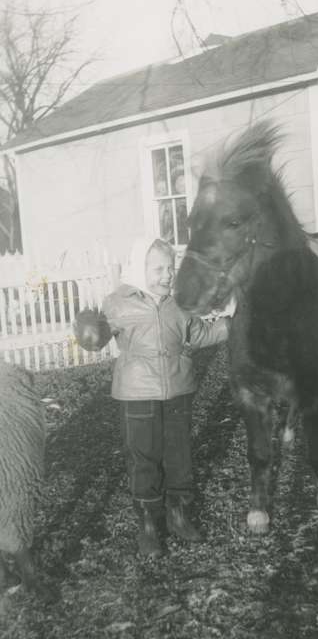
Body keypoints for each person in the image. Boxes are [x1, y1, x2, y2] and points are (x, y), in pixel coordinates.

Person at [74, 238, 230, 557]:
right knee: (143, 458)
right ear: (139, 269)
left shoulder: (178, 305)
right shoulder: (118, 303)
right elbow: (98, 337)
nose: (166, 275)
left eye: (170, 268)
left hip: (177, 391)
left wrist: (232, 324)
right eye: (158, 268)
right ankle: (148, 526)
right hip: (136, 395)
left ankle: (178, 515)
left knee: (179, 456)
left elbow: (199, 335)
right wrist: (88, 331)